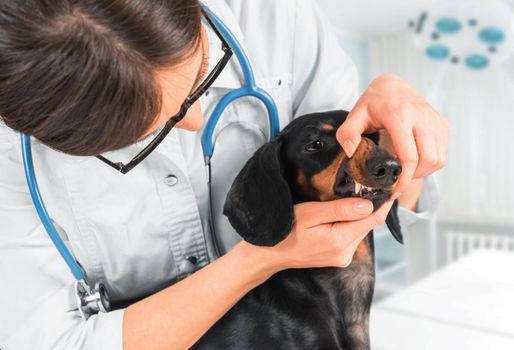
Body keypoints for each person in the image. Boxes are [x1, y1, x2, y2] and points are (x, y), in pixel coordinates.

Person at [0, 0, 448, 349]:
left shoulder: (274, 16)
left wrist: (400, 134)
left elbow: (381, 198)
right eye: (148, 128)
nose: (196, 120)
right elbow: (53, 342)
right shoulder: (15, 154)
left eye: (201, 73)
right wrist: (261, 258)